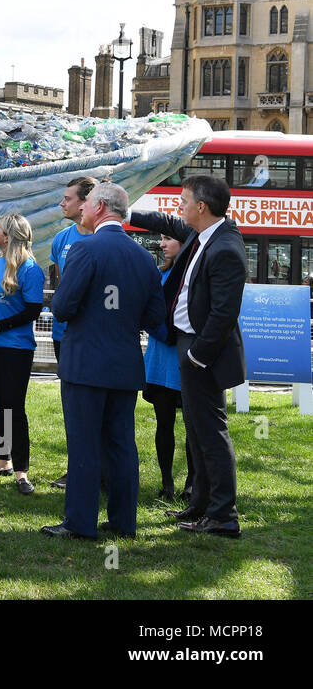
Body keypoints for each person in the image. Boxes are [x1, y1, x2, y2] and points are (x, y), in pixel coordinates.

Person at [43, 182, 165, 540]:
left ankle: (80, 524)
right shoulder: (144, 258)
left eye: (86, 206)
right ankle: (124, 522)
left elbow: (62, 307)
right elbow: (154, 316)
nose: (80, 211)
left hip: (85, 365)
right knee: (122, 446)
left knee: (84, 445)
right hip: (125, 364)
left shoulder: (85, 248)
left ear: (98, 208)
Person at [130, 174, 246, 539]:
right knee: (196, 432)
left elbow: (224, 315)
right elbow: (164, 222)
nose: (178, 207)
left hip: (201, 354)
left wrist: (196, 356)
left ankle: (223, 515)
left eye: (183, 201)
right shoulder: (201, 233)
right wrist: (124, 209)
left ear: (202, 207)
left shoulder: (226, 247)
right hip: (187, 345)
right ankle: (201, 504)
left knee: (211, 433)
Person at [0, 211, 46, 495]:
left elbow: (33, 309)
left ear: (7, 236)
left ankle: (21, 472)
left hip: (14, 349)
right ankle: (2, 462)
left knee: (14, 408)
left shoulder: (29, 269)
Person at [47, 175, 97, 491]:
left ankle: (96, 469)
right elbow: (60, 285)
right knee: (72, 406)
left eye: (67, 198)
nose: (62, 204)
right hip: (62, 334)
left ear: (85, 203)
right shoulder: (60, 239)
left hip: (90, 336)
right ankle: (76, 468)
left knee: (93, 406)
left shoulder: (101, 238)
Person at [143, 235, 195, 504]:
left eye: (167, 239)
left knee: (192, 427)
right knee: (164, 424)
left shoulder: (194, 273)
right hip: (160, 363)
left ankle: (191, 484)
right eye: (161, 239)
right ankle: (166, 483)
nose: (162, 244)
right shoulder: (158, 275)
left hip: (186, 363)